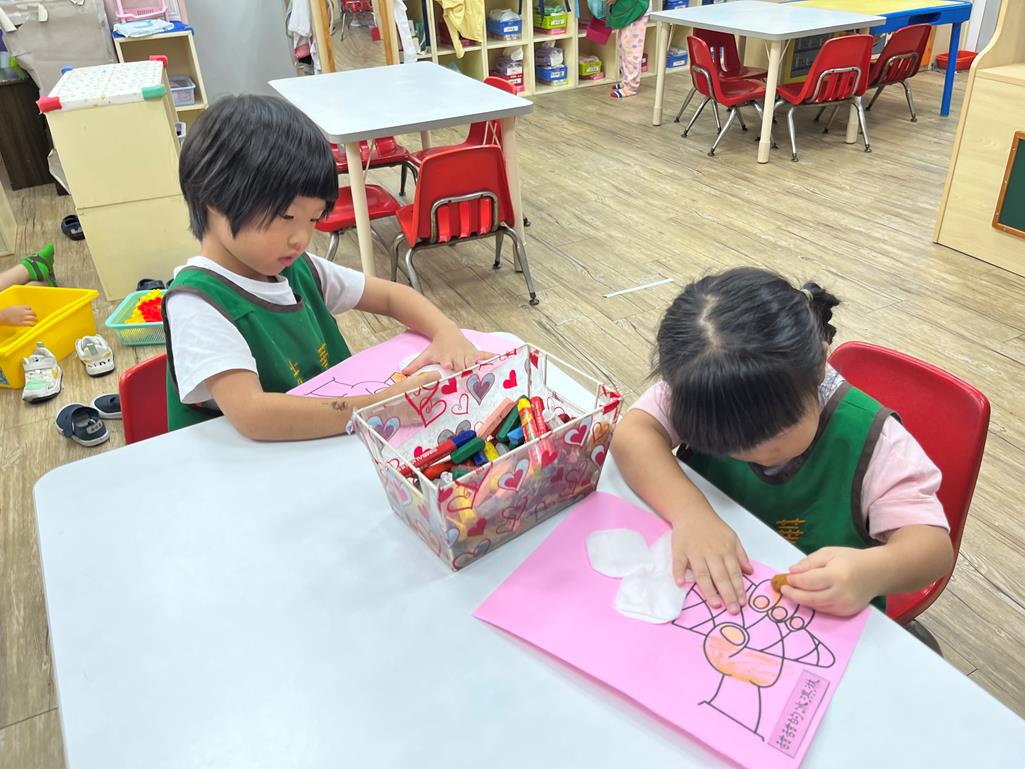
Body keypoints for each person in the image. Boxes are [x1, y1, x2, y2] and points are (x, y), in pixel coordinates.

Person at [611, 267, 954, 616]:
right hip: (714, 589)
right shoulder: (703, 390)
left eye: (776, 434)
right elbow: (633, 435)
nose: (756, 453)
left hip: (819, 610)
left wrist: (872, 572)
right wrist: (689, 512)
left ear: (819, 368)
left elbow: (933, 548)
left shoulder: (874, 440)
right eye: (727, 442)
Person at [164, 94, 487, 440]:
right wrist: (382, 406)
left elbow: (392, 296)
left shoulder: (297, 268)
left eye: (313, 219)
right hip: (253, 466)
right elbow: (254, 415)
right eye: (286, 217)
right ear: (215, 199)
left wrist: (446, 332)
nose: (301, 239)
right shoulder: (197, 302)